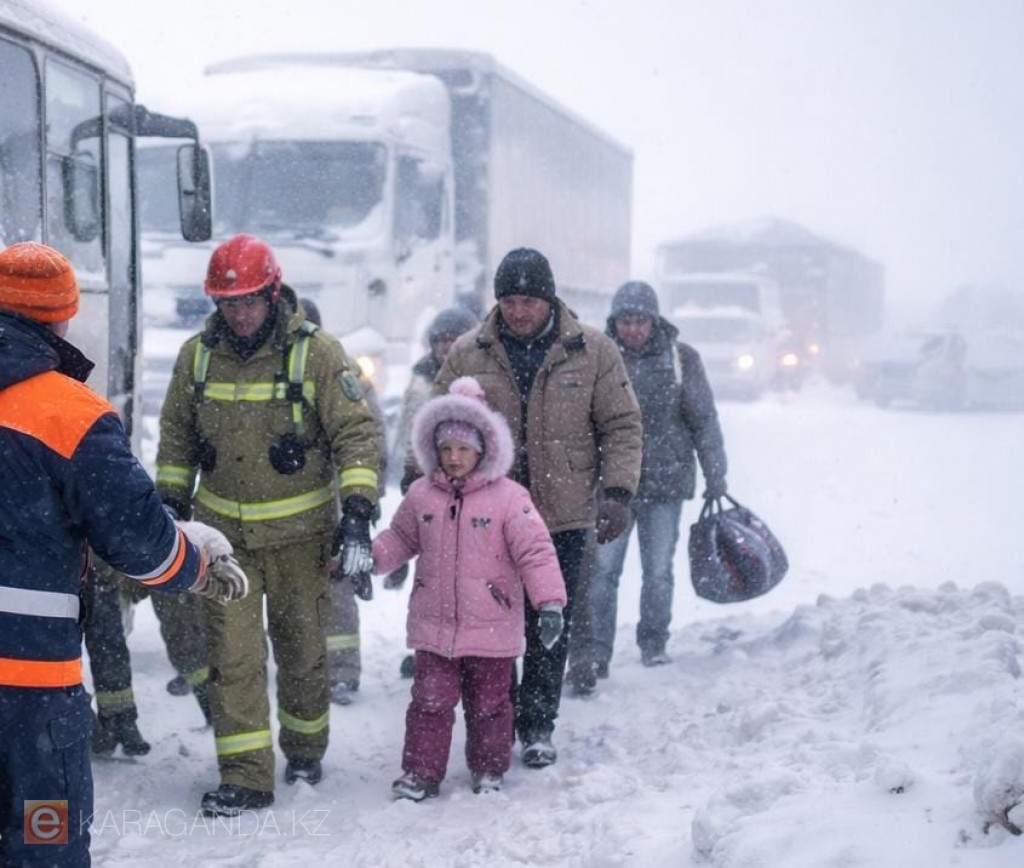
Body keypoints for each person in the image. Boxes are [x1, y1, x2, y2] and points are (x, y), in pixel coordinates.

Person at [0, 242, 248, 867]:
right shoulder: (69, 414)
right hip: (28, 689)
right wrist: (196, 566)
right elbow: (139, 542)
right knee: (43, 838)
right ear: (61, 318)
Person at [155, 235, 380, 816]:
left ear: (273, 293)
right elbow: (177, 437)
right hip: (223, 543)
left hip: (300, 538)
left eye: (250, 300)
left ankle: (305, 746)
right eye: (229, 303)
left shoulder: (318, 353)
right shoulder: (197, 357)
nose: (240, 313)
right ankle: (247, 776)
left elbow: (357, 435)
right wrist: (172, 502)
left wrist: (356, 510)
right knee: (234, 658)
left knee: (303, 651)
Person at [435, 247, 642, 768]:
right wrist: (425, 489)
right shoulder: (468, 352)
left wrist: (617, 493)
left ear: (549, 299)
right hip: (489, 516)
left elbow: (621, 425)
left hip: (563, 515)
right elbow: (436, 421)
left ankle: (538, 725)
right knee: (495, 626)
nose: (519, 312)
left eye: (529, 301)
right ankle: (498, 720)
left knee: (551, 623)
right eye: (509, 300)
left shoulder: (593, 351)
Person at [373, 377, 566, 800]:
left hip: (491, 626)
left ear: (483, 449)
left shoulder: (510, 498)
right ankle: (420, 773)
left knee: (491, 706)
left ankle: (489, 768)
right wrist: (371, 559)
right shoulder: (422, 495)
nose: (454, 457)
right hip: (434, 626)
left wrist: (549, 603)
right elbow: (401, 538)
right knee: (429, 703)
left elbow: (536, 552)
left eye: (463, 449)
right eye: (446, 449)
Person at [580, 280, 728, 675]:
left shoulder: (682, 360)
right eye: (625, 320)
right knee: (603, 572)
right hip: (613, 490)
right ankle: (596, 651)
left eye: (640, 320)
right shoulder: (598, 359)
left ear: (654, 320)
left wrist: (716, 473)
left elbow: (704, 419)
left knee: (658, 571)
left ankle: (653, 642)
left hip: (665, 485)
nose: (633, 328)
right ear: (615, 321)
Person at [300, 296, 388, 707]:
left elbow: (369, 436)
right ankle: (308, 664)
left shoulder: (342, 372)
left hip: (336, 495)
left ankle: (343, 670)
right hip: (297, 499)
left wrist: (366, 497)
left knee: (336, 581)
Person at [387, 304, 479, 679]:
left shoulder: (480, 381)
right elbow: (410, 430)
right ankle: (427, 648)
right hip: (428, 490)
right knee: (429, 578)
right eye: (440, 340)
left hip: (470, 491)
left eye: (453, 340)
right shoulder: (421, 380)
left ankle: (471, 646)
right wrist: (410, 475)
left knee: (469, 574)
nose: (446, 347)